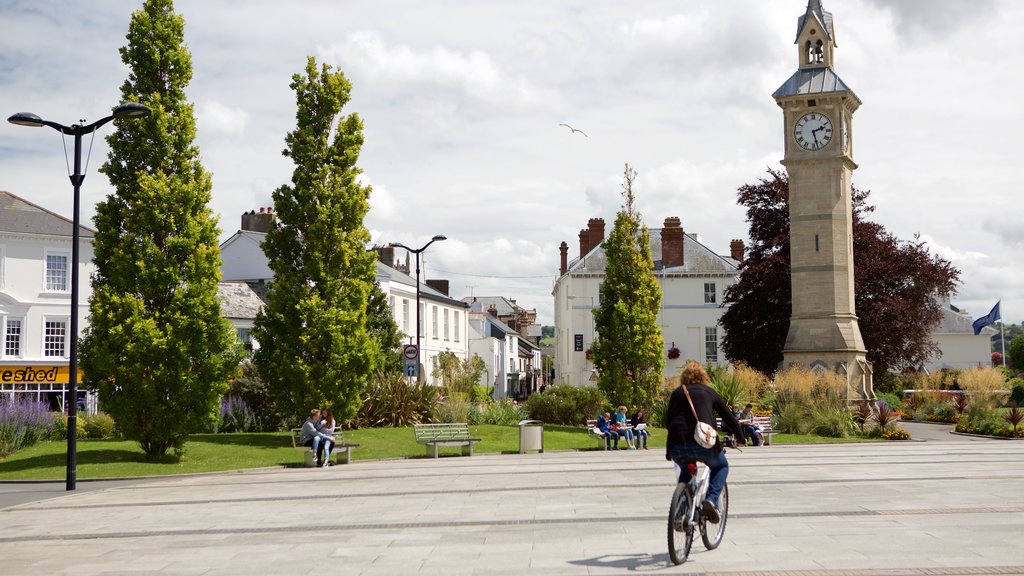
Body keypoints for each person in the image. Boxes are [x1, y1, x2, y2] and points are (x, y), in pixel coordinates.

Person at [666, 362, 745, 523]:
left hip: (677, 445)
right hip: (703, 444)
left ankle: (681, 513)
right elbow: (730, 419)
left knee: (686, 471)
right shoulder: (708, 392)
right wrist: (741, 438)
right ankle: (711, 499)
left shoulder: (677, 393)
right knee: (721, 466)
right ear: (703, 377)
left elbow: (668, 421)